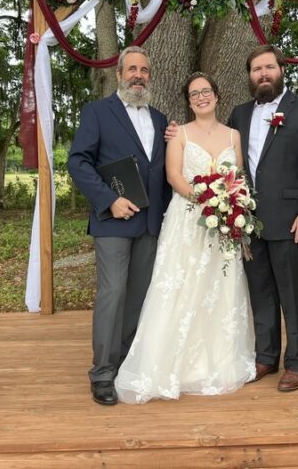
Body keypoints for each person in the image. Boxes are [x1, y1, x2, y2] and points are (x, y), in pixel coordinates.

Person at [115, 72, 256, 404]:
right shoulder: (179, 134)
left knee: (218, 288)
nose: (201, 97)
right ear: (188, 101)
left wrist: (229, 204)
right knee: (179, 286)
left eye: (206, 91)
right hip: (187, 219)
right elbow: (174, 175)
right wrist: (205, 199)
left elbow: (238, 176)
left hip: (223, 221)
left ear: (217, 96)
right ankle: (168, 365)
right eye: (194, 94)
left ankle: (217, 360)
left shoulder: (234, 135)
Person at [67, 45, 171, 406]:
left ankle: (127, 362)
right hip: (113, 220)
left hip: (150, 222)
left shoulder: (160, 119)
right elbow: (78, 162)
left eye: (144, 69)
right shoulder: (98, 112)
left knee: (139, 297)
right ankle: (103, 373)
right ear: (119, 74)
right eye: (132, 69)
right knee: (112, 294)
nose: (138, 75)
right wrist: (109, 199)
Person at [228, 44, 298, 392]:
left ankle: (297, 363)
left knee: (294, 295)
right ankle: (266, 357)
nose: (263, 74)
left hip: (292, 222)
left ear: (281, 70)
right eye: (256, 69)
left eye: (269, 67)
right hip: (250, 223)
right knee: (261, 293)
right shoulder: (239, 115)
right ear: (249, 76)